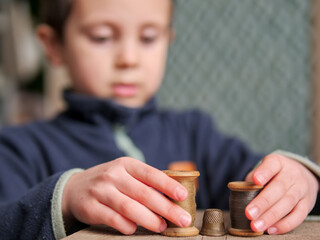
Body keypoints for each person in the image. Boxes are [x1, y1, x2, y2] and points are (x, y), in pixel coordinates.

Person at [0, 0, 319, 239]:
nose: (129, 58)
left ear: (169, 39)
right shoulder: (18, 148)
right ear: (54, 45)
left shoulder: (196, 133)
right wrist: (65, 196)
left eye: (149, 37)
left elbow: (264, 186)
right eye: (101, 37)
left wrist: (302, 179)